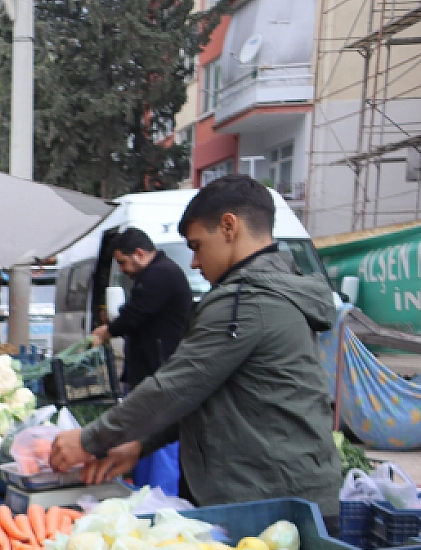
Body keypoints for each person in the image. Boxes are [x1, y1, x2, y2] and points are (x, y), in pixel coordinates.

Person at [51, 175, 340, 525]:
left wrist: (89, 439)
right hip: (283, 494)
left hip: (270, 503)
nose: (194, 263)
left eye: (197, 246)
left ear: (229, 227)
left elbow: (174, 387)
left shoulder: (247, 301)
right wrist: (141, 444)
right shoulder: (270, 292)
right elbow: (210, 396)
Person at [92, 227, 194, 390]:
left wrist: (107, 331)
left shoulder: (160, 273)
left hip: (158, 369)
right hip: (150, 368)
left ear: (139, 253)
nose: (121, 269)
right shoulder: (153, 273)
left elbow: (135, 314)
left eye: (122, 262)